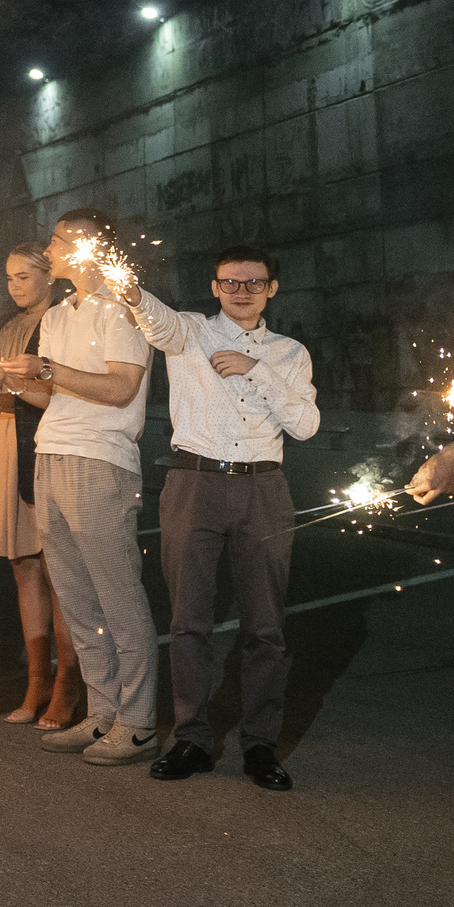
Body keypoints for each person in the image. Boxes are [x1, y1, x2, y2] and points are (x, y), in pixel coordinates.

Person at [128, 246, 318, 790]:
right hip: (194, 481)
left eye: (254, 283)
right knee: (189, 619)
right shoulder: (190, 331)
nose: (241, 290)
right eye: (230, 282)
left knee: (265, 626)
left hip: (264, 487)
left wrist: (257, 370)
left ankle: (260, 746)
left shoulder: (289, 353)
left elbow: (305, 424)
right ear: (214, 287)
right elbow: (154, 319)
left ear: (272, 290)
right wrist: (129, 291)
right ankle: (192, 737)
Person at [0, 210, 159, 768]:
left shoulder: (123, 307)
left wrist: (47, 371)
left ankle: (137, 722)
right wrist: (18, 381)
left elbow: (119, 388)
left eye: (60, 240)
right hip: (51, 453)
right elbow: (56, 397)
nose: (51, 248)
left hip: (101, 460)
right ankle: (101, 710)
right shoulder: (61, 313)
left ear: (87, 247)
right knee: (77, 596)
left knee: (117, 594)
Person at [0, 244, 83, 726]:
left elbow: (60, 398)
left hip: (45, 444)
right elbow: (0, 399)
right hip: (12, 442)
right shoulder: (9, 328)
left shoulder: (61, 321)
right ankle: (37, 677)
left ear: (50, 276)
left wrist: (8, 388)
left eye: (24, 276)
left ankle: (68, 677)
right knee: (22, 564)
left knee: (56, 569)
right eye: (9, 277)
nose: (15, 286)